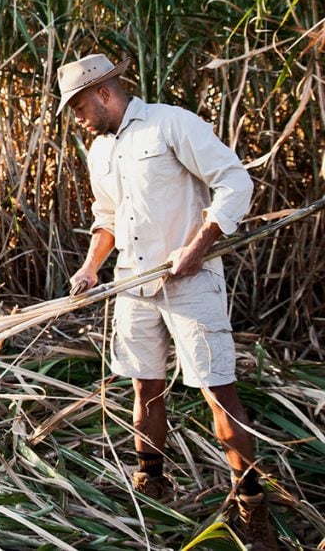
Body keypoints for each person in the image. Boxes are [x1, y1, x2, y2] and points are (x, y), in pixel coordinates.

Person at [58, 53, 276, 550]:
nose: (78, 118)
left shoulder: (170, 125)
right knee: (144, 387)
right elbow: (107, 217)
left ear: (104, 93)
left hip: (190, 282)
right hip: (134, 282)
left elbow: (234, 182)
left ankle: (252, 508)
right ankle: (152, 484)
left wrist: (198, 247)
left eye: (79, 107)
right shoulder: (99, 151)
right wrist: (91, 267)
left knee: (218, 391)